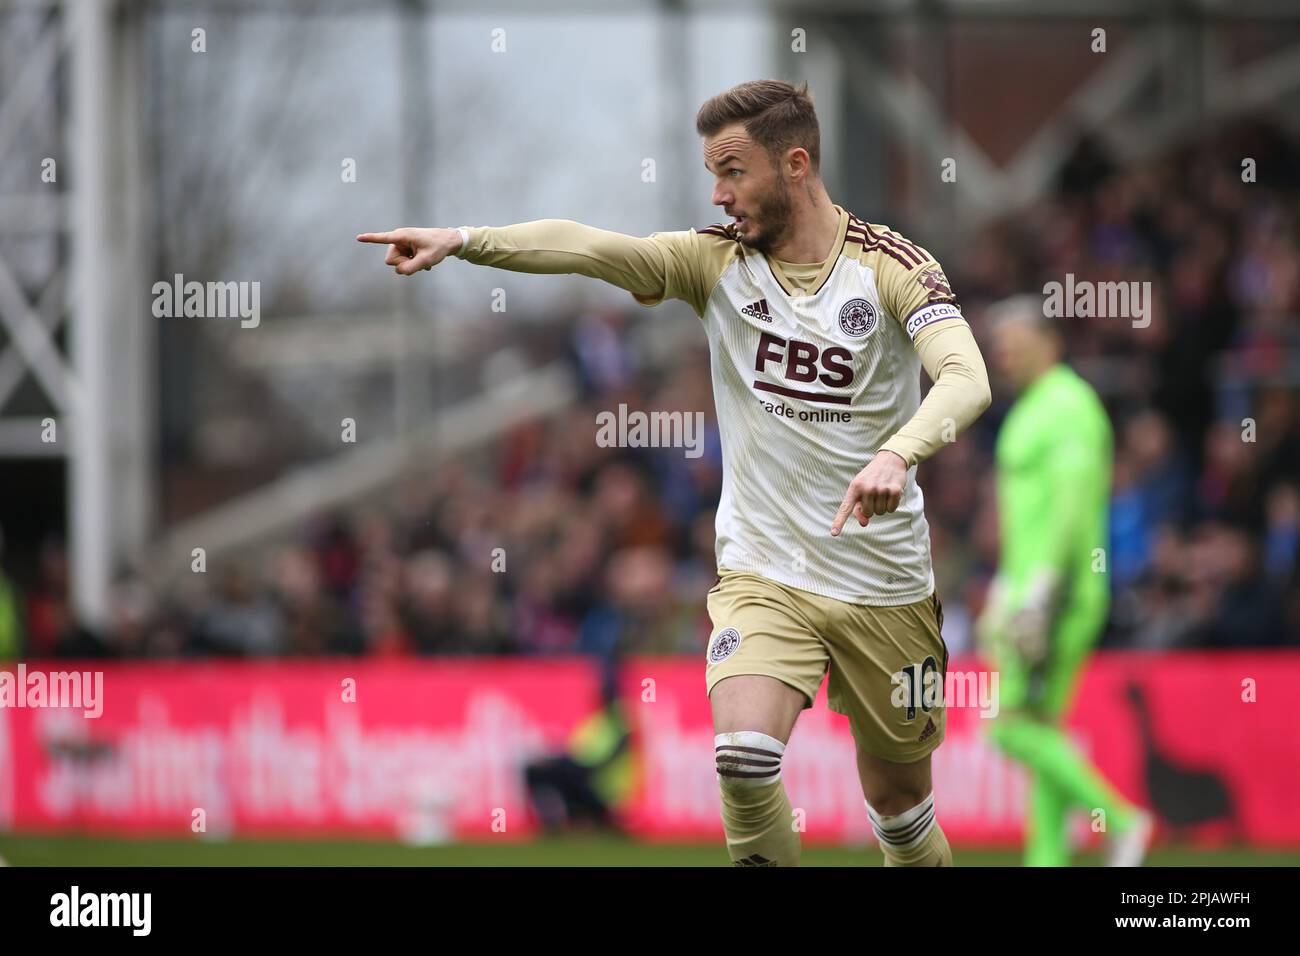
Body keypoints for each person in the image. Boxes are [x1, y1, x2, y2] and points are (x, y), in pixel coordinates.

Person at [359, 79, 991, 866]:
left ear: (795, 165)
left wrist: (899, 451)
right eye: (711, 175)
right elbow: (594, 248)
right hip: (767, 575)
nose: (719, 194)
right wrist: (464, 238)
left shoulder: (893, 266)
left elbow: (967, 379)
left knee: (899, 809)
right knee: (745, 758)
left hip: (885, 585)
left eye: (733, 171)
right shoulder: (712, 263)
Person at [977, 294, 1154, 866]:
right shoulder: (1034, 407)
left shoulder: (1069, 406)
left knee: (1009, 728)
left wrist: (1041, 587)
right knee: (1042, 727)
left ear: (1047, 340)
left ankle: (1123, 820)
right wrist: (1009, 583)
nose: (1001, 353)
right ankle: (1046, 859)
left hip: (1056, 596)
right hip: (1033, 588)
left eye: (1012, 340)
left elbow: (1073, 507)